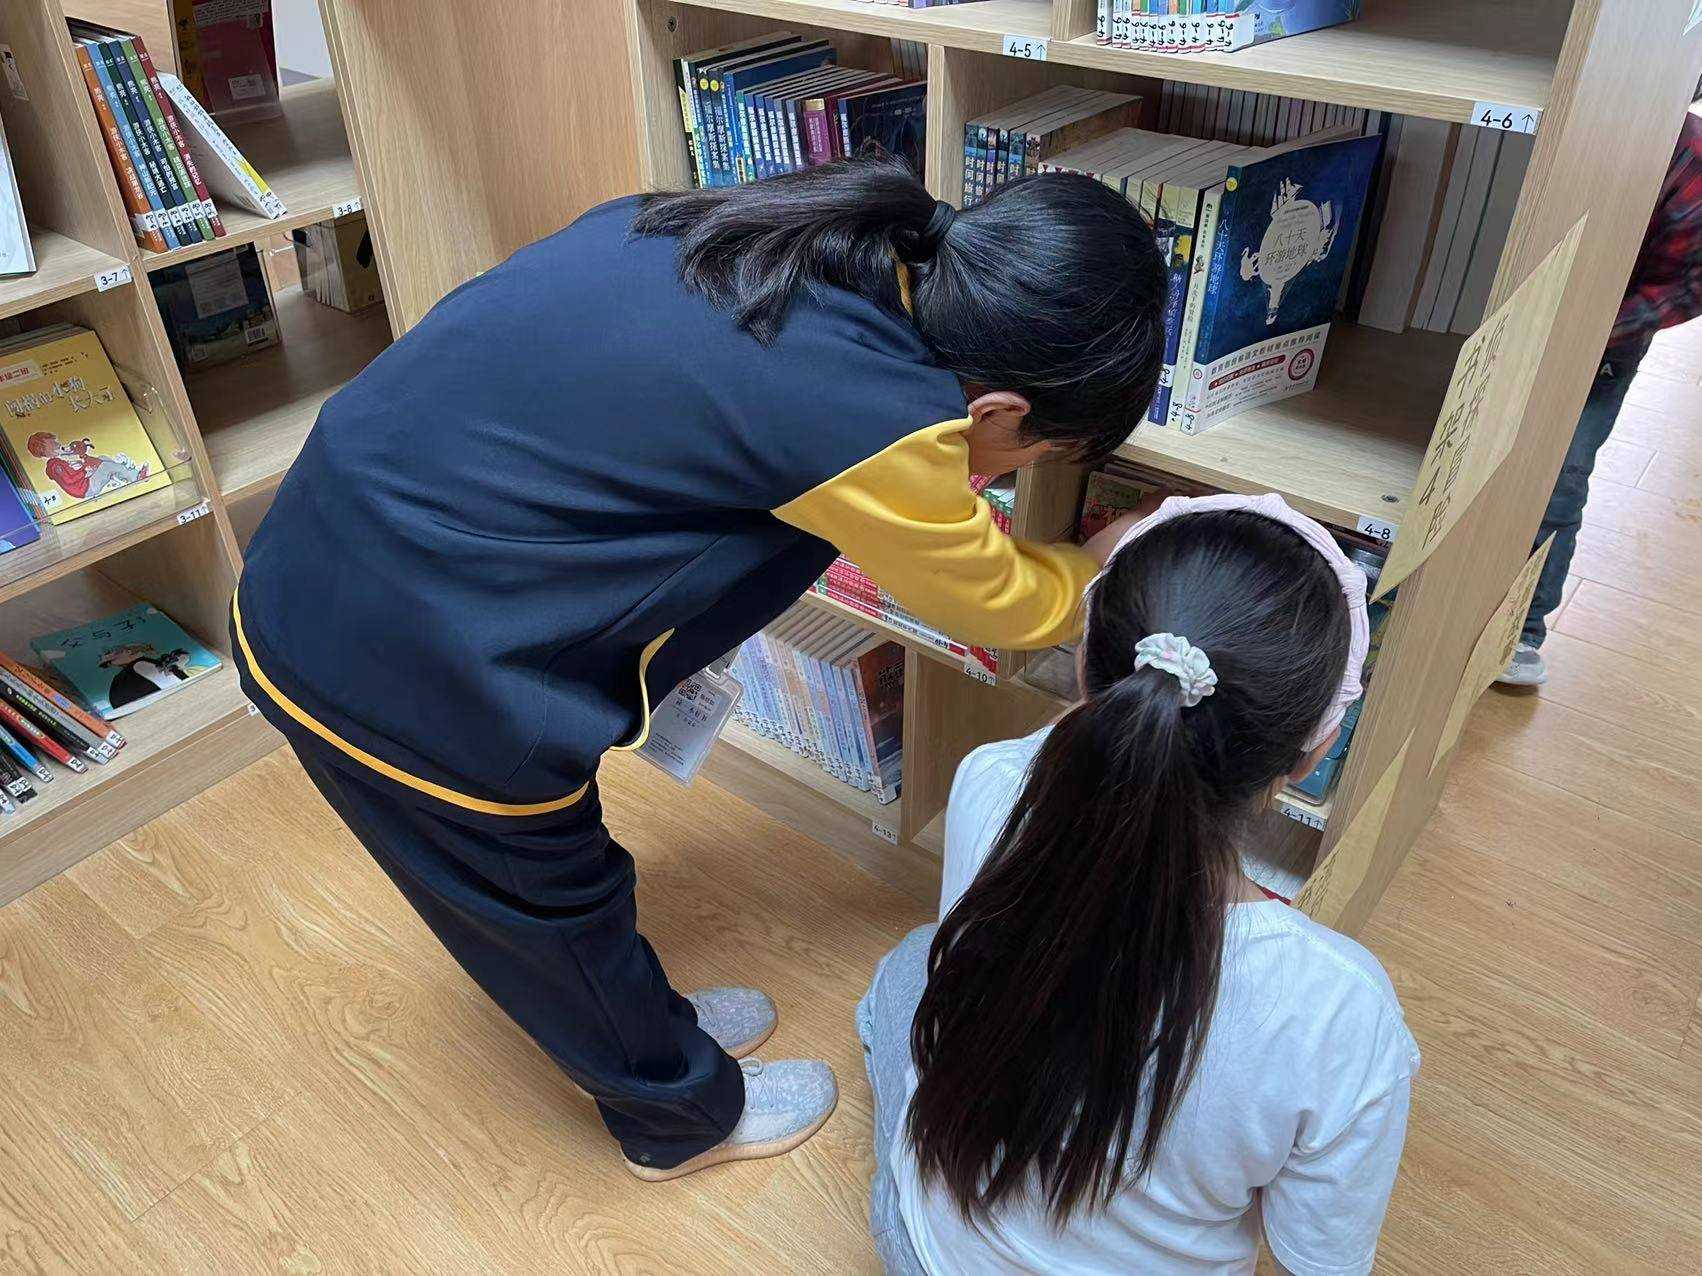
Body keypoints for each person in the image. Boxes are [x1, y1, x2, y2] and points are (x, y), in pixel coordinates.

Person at [232, 152, 1168, 1180]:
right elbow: (985, 599)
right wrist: (1098, 569)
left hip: (353, 533)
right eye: (1041, 457)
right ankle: (676, 1114)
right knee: (548, 897)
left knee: (559, 885)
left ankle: (643, 1019)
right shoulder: (878, 416)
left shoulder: (766, 234)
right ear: (999, 413)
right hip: (392, 649)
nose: (1019, 471)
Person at [858, 494, 1421, 1274]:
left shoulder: (988, 781)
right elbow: (1319, 1261)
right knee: (911, 967)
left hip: (928, 1254)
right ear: (1317, 748)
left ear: (1085, 667)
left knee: (911, 968)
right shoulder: (1338, 1009)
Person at [1501, 102, 1702, 685]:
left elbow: (1683, 288)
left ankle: (1523, 629)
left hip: (1602, 345)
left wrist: (1581, 329)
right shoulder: (1564, 121)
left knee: (1560, 478)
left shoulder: (1689, 162)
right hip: (1494, 311)